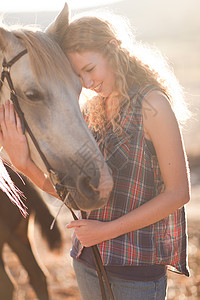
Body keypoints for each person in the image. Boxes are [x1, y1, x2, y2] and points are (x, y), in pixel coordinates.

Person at [0, 10, 190, 300]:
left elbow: (178, 194)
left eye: (89, 69)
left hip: (135, 271)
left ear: (113, 49)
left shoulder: (153, 105)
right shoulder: (94, 110)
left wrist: (106, 231)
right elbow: (75, 193)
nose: (87, 83)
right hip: (87, 262)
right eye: (78, 76)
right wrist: (23, 163)